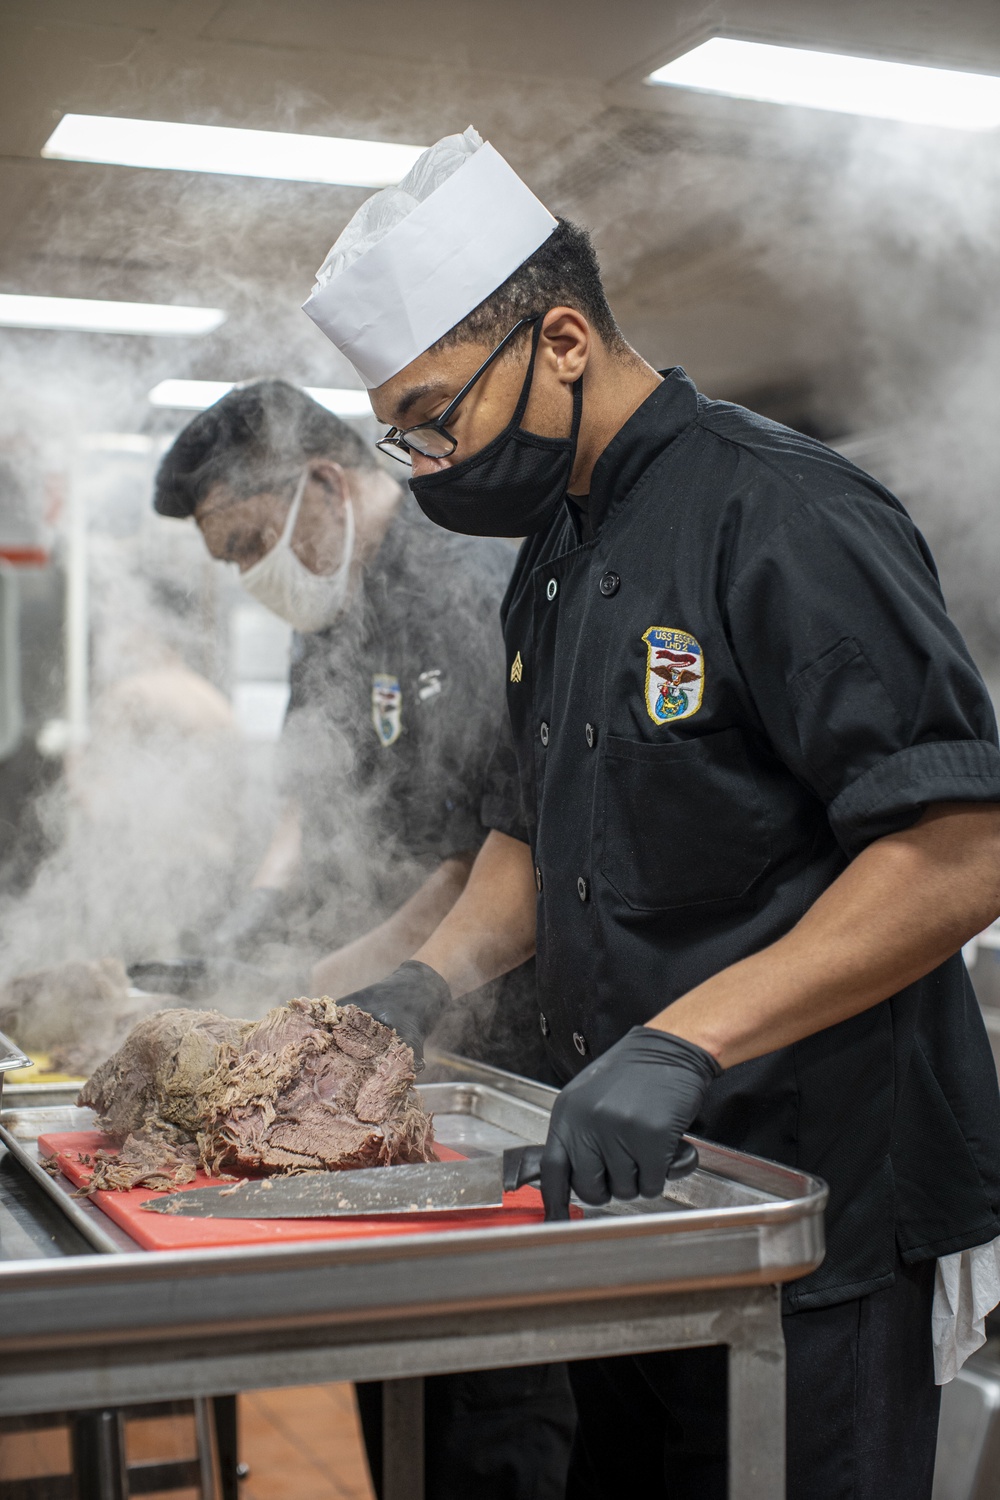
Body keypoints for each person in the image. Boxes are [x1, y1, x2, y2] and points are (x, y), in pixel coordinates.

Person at [302, 126, 1000, 1498]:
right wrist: (422, 982)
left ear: (561, 340)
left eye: (437, 415)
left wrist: (685, 1040)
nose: (427, 461)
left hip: (816, 1205)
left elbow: (957, 849)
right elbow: (531, 832)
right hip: (636, 1189)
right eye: (403, 432)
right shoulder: (550, 558)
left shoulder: (783, 514)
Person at [152, 379, 575, 1500]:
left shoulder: (469, 580)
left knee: (488, 1381)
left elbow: (480, 860)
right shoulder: (330, 615)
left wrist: (327, 992)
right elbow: (308, 816)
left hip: (484, 1031)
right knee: (380, 1347)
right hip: (376, 1043)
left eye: (251, 544)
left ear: (325, 486)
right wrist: (241, 935)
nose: (253, 579)